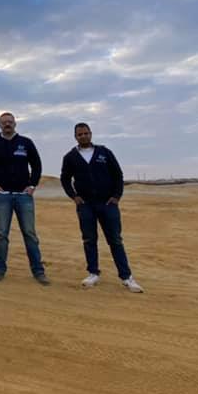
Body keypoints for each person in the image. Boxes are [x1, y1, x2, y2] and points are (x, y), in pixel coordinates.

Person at [60, 122, 144, 293]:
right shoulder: (70, 157)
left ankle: (126, 277)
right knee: (89, 240)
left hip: (107, 204)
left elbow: (118, 174)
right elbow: (65, 179)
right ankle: (93, 273)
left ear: (91, 134)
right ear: (75, 137)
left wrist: (116, 196)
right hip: (86, 205)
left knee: (115, 240)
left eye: (86, 133)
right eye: (80, 134)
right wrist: (74, 197)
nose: (83, 136)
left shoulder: (104, 152)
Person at [0, 112, 49, 285]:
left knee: (30, 234)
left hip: (24, 196)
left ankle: (38, 271)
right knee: (1, 234)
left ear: (15, 123)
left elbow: (37, 165)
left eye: (10, 122)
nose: (7, 124)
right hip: (2, 197)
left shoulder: (26, 143)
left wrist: (32, 185)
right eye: (4, 122)